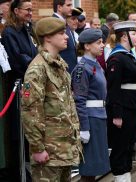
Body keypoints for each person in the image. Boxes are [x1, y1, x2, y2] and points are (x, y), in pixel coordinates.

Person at [21, 17, 81, 182]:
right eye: (61, 33)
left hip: (64, 150)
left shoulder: (59, 65)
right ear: (47, 37)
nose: (67, 36)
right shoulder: (37, 69)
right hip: (48, 153)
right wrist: (37, 148)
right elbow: (30, 111)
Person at [1, 0, 37, 180]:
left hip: (31, 81)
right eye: (27, 10)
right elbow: (17, 58)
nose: (31, 13)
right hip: (19, 86)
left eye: (32, 9)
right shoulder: (9, 32)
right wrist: (35, 65)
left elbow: (34, 53)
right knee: (19, 132)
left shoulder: (27, 30)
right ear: (16, 10)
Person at [106, 21, 136, 182]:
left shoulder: (129, 55)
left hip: (132, 105)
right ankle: (120, 177)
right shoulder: (116, 58)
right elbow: (113, 89)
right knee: (120, 147)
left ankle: (126, 176)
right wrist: (117, 114)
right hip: (123, 107)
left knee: (129, 145)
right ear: (124, 36)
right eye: (134, 34)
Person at [72, 28, 110, 182]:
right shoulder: (82, 68)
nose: (102, 45)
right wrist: (84, 128)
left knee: (95, 167)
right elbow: (80, 100)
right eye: (98, 42)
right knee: (89, 168)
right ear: (87, 46)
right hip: (91, 119)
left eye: (102, 42)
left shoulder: (95, 64)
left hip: (99, 116)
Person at [53, 0, 77, 74]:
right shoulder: (53, 23)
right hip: (61, 73)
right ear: (59, 7)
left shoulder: (64, 22)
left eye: (71, 5)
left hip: (71, 73)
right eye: (68, 5)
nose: (71, 8)